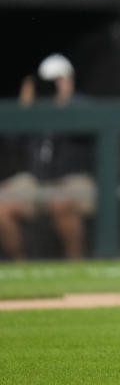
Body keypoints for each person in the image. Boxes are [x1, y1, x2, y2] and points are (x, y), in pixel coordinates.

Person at [0, 55, 95, 260]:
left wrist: (64, 100)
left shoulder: (80, 105)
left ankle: (75, 264)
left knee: (59, 201)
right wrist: (24, 108)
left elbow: (91, 127)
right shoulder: (35, 108)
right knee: (1, 205)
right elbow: (11, 142)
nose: (51, 86)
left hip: (72, 180)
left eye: (57, 80)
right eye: (48, 81)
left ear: (68, 79)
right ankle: (22, 267)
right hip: (36, 180)